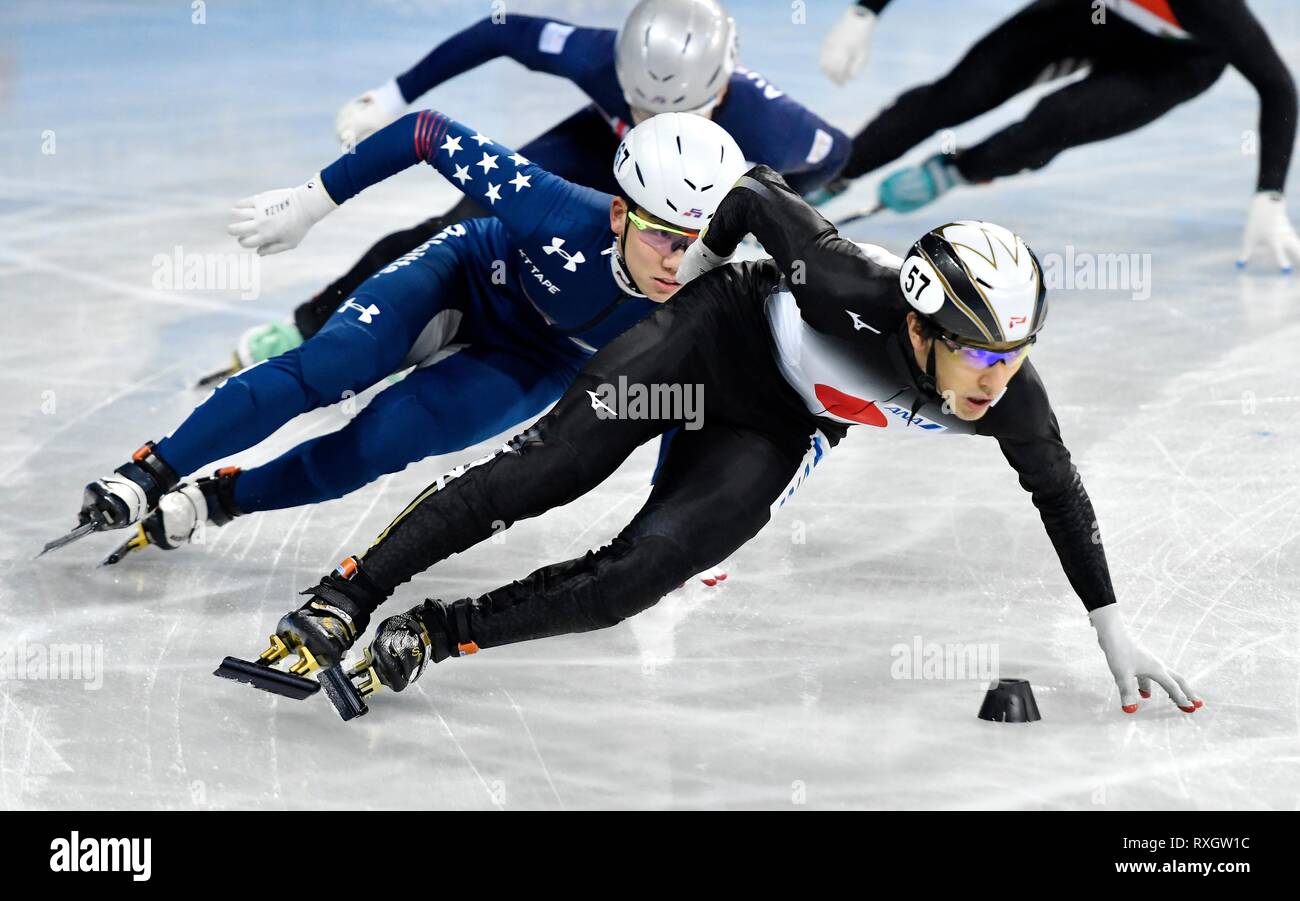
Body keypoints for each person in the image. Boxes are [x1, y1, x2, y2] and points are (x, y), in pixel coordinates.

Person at [251, 166, 1201, 717]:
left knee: (633, 579)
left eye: (1014, 355)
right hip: (710, 337)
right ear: (918, 328)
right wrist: (692, 275)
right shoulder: (846, 281)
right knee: (549, 470)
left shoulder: (1013, 401)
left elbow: (1060, 495)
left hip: (775, 422)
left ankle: (438, 631)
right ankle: (349, 591)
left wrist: (1112, 628)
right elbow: (750, 196)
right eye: (980, 355)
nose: (996, 381)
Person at [65, 110, 747, 567]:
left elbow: (684, 420)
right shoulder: (555, 208)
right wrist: (311, 200)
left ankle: (219, 499)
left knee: (377, 446)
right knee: (329, 367)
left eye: (700, 244)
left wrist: (670, 530)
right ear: (621, 213)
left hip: (535, 359)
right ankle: (148, 471)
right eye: (664, 235)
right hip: (469, 276)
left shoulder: (705, 297)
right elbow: (425, 132)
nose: (677, 262)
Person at [219, 0, 850, 375]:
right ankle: (312, 323)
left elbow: (833, 159)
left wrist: (761, 212)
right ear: (622, 75)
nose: (653, 122)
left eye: (679, 109)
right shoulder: (597, 55)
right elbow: (499, 31)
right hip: (596, 150)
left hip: (690, 185)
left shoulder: (779, 128)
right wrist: (392, 95)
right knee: (450, 226)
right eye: (640, 105)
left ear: (723, 84)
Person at [816, 0, 1300, 271]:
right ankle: (829, 173)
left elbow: (1277, 85)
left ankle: (959, 169)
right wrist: (865, 12)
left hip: (1171, 62)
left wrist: (1269, 195)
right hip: (1087, 15)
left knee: (1053, 122)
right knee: (959, 93)